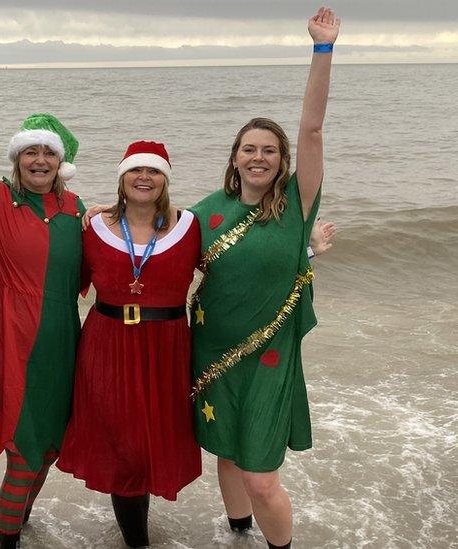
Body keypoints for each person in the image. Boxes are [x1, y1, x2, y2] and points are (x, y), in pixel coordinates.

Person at [188, 8, 340, 549]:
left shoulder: (297, 203)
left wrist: (322, 50)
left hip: (270, 355)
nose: (258, 157)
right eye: (248, 149)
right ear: (234, 158)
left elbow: (313, 127)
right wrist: (94, 218)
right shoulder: (204, 213)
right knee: (225, 452)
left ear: (282, 161)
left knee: (260, 475)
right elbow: (150, 245)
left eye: (269, 151)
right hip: (211, 349)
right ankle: (238, 534)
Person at [0, 40, 87, 549]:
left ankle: (22, 523)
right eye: (31, 150)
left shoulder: (77, 210)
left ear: (61, 160)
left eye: (49, 151)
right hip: (11, 344)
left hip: (64, 348)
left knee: (49, 448)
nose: (40, 159)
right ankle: (9, 542)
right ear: (18, 157)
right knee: (25, 453)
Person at [57, 141, 202, 548]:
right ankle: (138, 542)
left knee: (148, 446)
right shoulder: (93, 227)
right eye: (135, 170)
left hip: (166, 350)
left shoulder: (192, 225)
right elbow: (55, 273)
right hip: (108, 346)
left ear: (165, 179)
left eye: (153, 171)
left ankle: (139, 531)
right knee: (125, 449)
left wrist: (306, 247)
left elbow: (240, 262)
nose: (144, 177)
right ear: (121, 178)